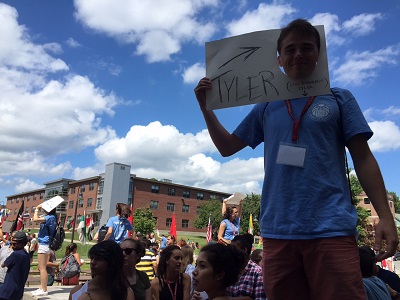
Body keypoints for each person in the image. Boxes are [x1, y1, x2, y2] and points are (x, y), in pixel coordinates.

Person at [194, 18, 398, 300]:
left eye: (306, 47)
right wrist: (207, 110)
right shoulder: (266, 105)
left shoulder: (338, 98)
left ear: (318, 54)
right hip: (279, 231)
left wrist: (385, 216)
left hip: (332, 229)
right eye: (290, 49)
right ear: (279, 59)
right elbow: (227, 147)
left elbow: (363, 158)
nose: (298, 54)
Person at [68, 240, 134, 300]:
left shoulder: (125, 293)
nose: (92, 262)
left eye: (98, 259)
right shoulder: (78, 291)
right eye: (92, 258)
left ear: (112, 262)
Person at [228, 234, 266, 300]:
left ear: (244, 250)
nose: (230, 251)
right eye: (230, 247)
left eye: (233, 248)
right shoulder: (228, 269)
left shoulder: (258, 273)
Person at [31, 203, 58, 297]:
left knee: (42, 267)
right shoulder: (53, 217)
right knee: (42, 267)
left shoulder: (50, 217)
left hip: (44, 243)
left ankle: (44, 289)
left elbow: (35, 219)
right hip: (46, 243)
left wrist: (37, 209)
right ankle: (41, 287)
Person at [0, 231, 30, 300]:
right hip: (18, 291)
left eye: (15, 243)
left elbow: (3, 265)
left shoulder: (15, 254)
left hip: (7, 291)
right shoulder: (26, 255)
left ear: (22, 244)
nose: (13, 245)